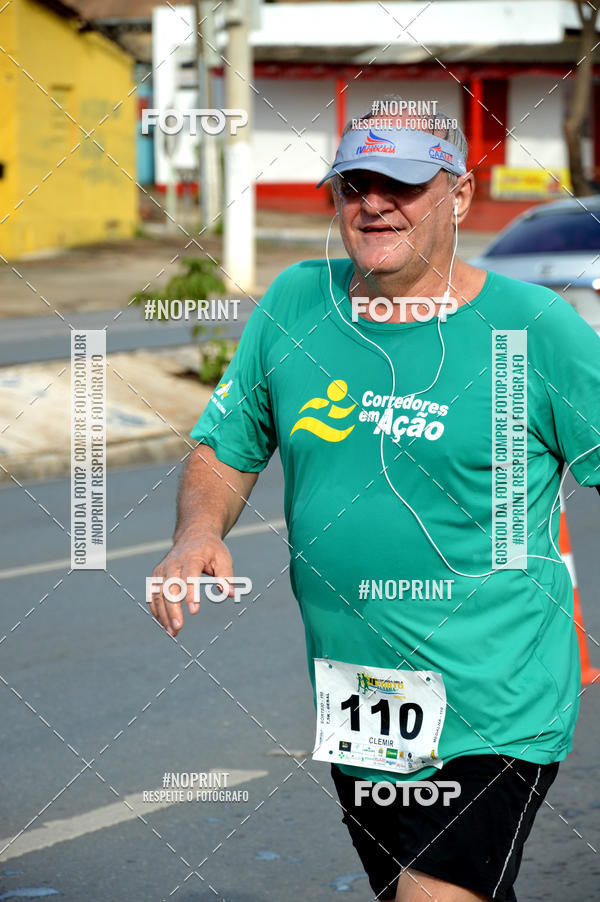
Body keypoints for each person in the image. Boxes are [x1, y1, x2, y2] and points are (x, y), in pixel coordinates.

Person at [149, 100, 600, 901]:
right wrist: (196, 531)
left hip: (494, 704)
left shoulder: (535, 328)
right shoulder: (296, 303)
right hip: (362, 710)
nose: (374, 203)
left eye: (402, 184)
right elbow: (228, 444)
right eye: (355, 184)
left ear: (459, 194)